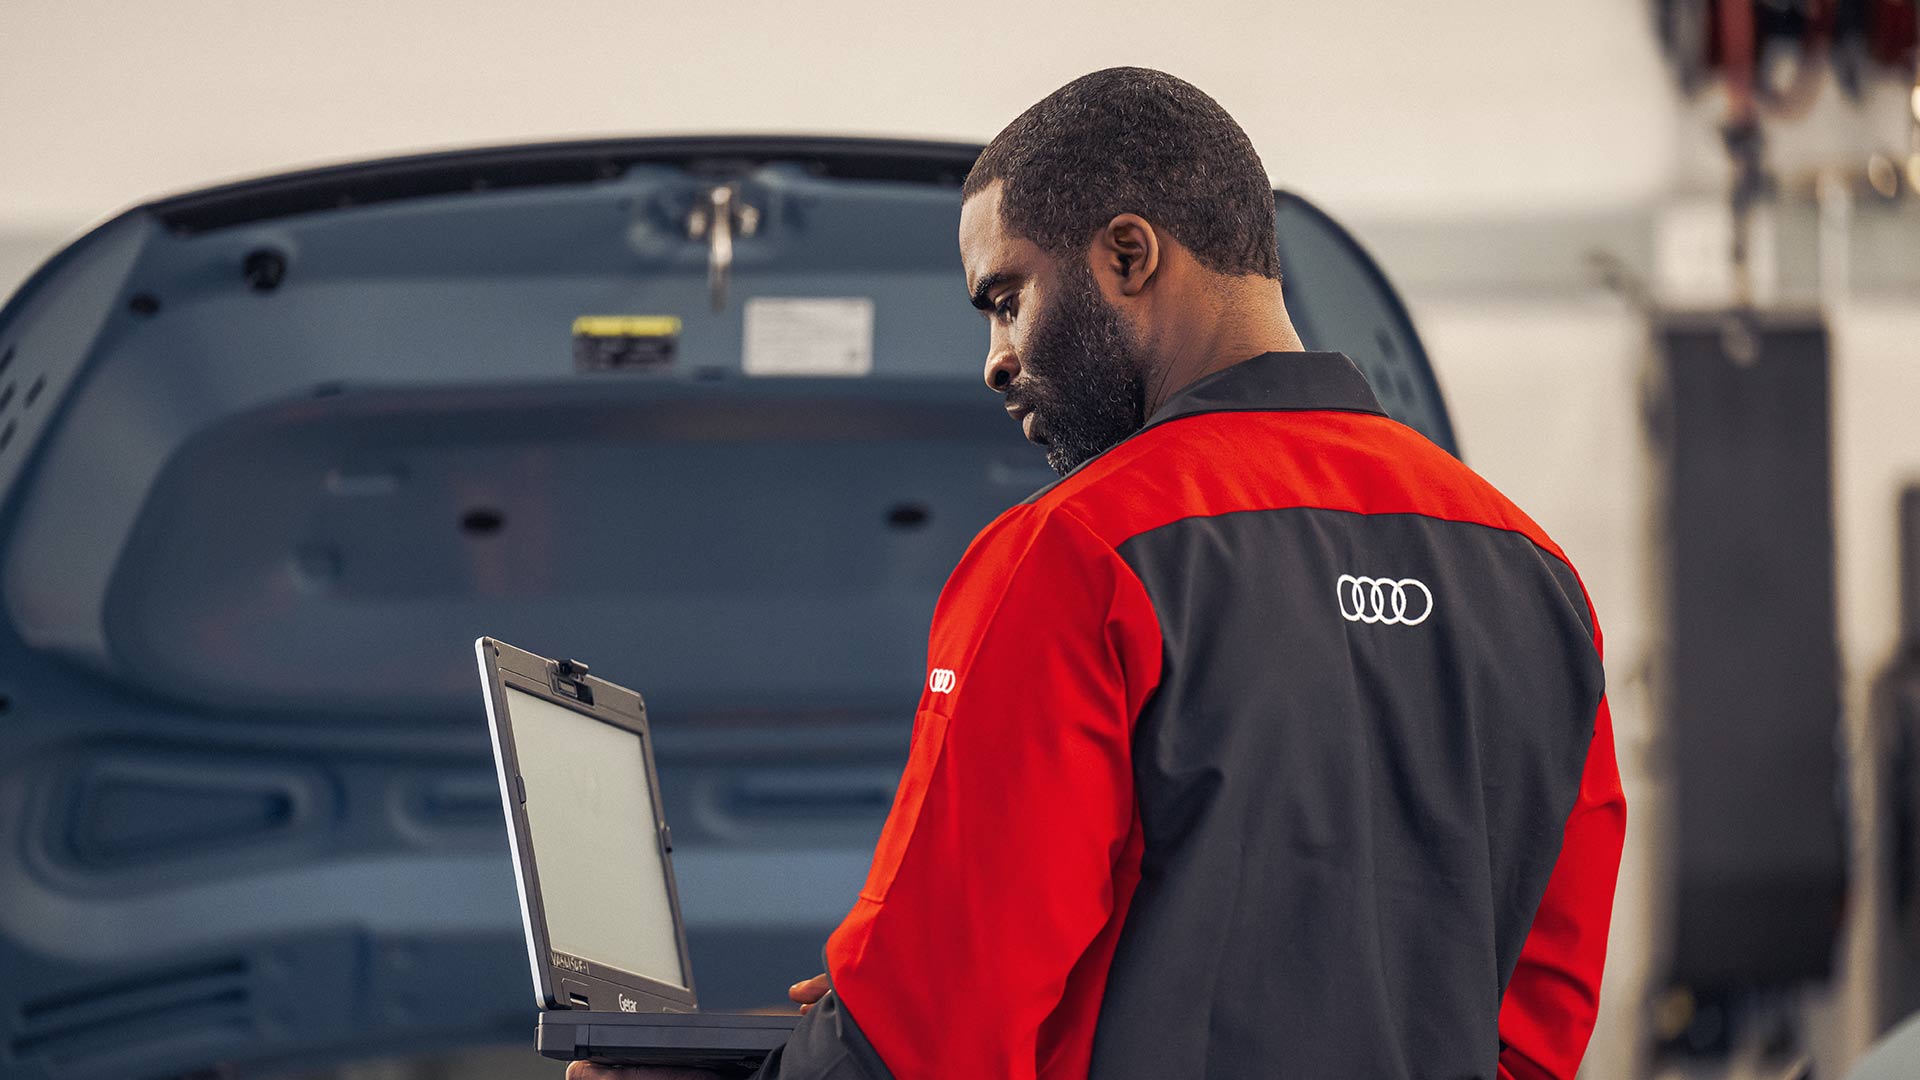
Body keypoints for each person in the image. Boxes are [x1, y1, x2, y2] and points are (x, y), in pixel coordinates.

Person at [574, 66, 1625, 1080]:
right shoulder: (1534, 575)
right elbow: (1540, 1020)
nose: (994, 357)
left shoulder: (1081, 552)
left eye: (1005, 297)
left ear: (1128, 254)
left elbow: (935, 1023)